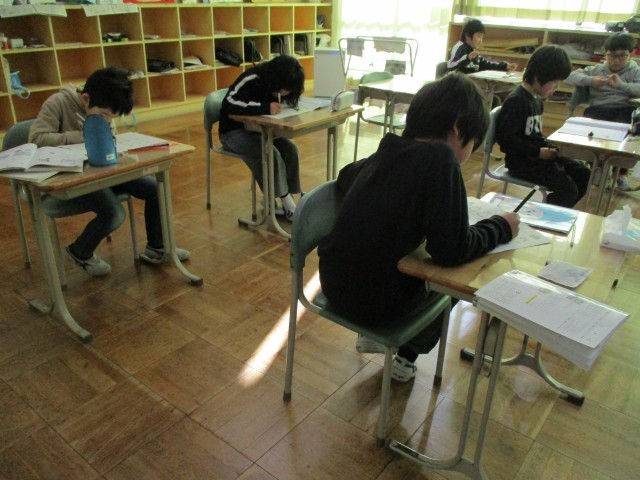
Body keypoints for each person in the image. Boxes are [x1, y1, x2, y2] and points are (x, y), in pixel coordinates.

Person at [317, 73, 520, 382]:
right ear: (457, 128)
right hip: (375, 304)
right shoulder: (441, 159)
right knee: (455, 281)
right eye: (472, 143)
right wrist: (500, 226)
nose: (469, 152)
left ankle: (377, 338)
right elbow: (452, 251)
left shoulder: (389, 147)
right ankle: (404, 356)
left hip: (334, 284)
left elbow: (345, 177)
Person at [29, 67, 190, 276]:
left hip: (103, 171)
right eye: (104, 115)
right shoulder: (58, 103)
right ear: (85, 99)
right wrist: (79, 137)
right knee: (113, 213)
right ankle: (80, 251)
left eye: (112, 118)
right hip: (73, 179)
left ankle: (156, 247)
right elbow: (36, 140)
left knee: (155, 188)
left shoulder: (103, 110)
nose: (107, 121)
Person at [496, 45, 591, 208]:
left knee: (584, 175)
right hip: (521, 163)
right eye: (554, 82)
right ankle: (545, 215)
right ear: (539, 76)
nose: (556, 87)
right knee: (568, 190)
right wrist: (538, 152)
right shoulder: (516, 101)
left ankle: (557, 211)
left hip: (536, 158)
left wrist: (552, 147)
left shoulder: (537, 100)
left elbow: (535, 135)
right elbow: (505, 139)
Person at [219, 55, 305, 220]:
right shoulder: (252, 78)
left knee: (290, 149)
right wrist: (264, 107)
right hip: (233, 133)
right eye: (284, 88)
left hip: (259, 131)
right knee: (270, 153)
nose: (284, 93)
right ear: (276, 78)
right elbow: (229, 103)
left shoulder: (279, 86)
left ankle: (290, 195)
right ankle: (286, 202)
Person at [565, 32, 640, 191]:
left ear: (631, 54)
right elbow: (570, 76)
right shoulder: (596, 69)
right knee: (592, 128)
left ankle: (620, 173)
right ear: (605, 54)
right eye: (612, 56)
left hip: (624, 109)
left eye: (622, 56)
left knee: (627, 131)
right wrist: (591, 81)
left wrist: (622, 86)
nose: (616, 60)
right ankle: (597, 166)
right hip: (598, 109)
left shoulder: (635, 71)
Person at [447, 18, 517, 74]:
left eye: (482, 38)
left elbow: (486, 64)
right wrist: (467, 59)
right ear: (468, 35)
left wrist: (505, 66)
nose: (481, 40)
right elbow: (451, 66)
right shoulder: (459, 47)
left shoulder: (473, 52)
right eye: (479, 37)